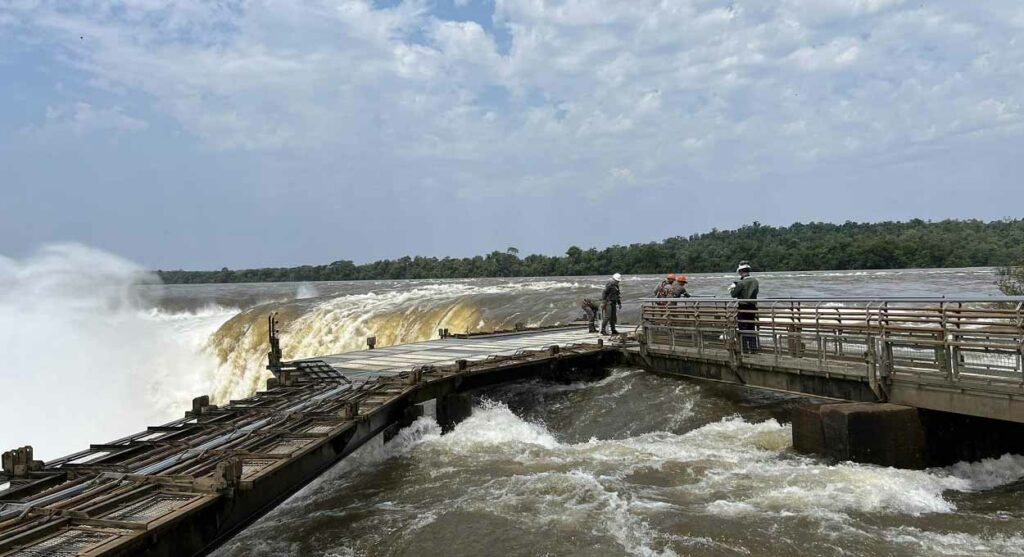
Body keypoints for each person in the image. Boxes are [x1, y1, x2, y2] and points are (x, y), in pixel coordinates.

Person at [729, 261, 760, 353]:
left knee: (743, 328)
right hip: (753, 306)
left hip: (743, 307)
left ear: (741, 271)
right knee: (751, 327)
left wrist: (733, 287)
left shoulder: (741, 283)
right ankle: (753, 349)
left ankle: (744, 349)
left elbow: (733, 294)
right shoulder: (755, 281)